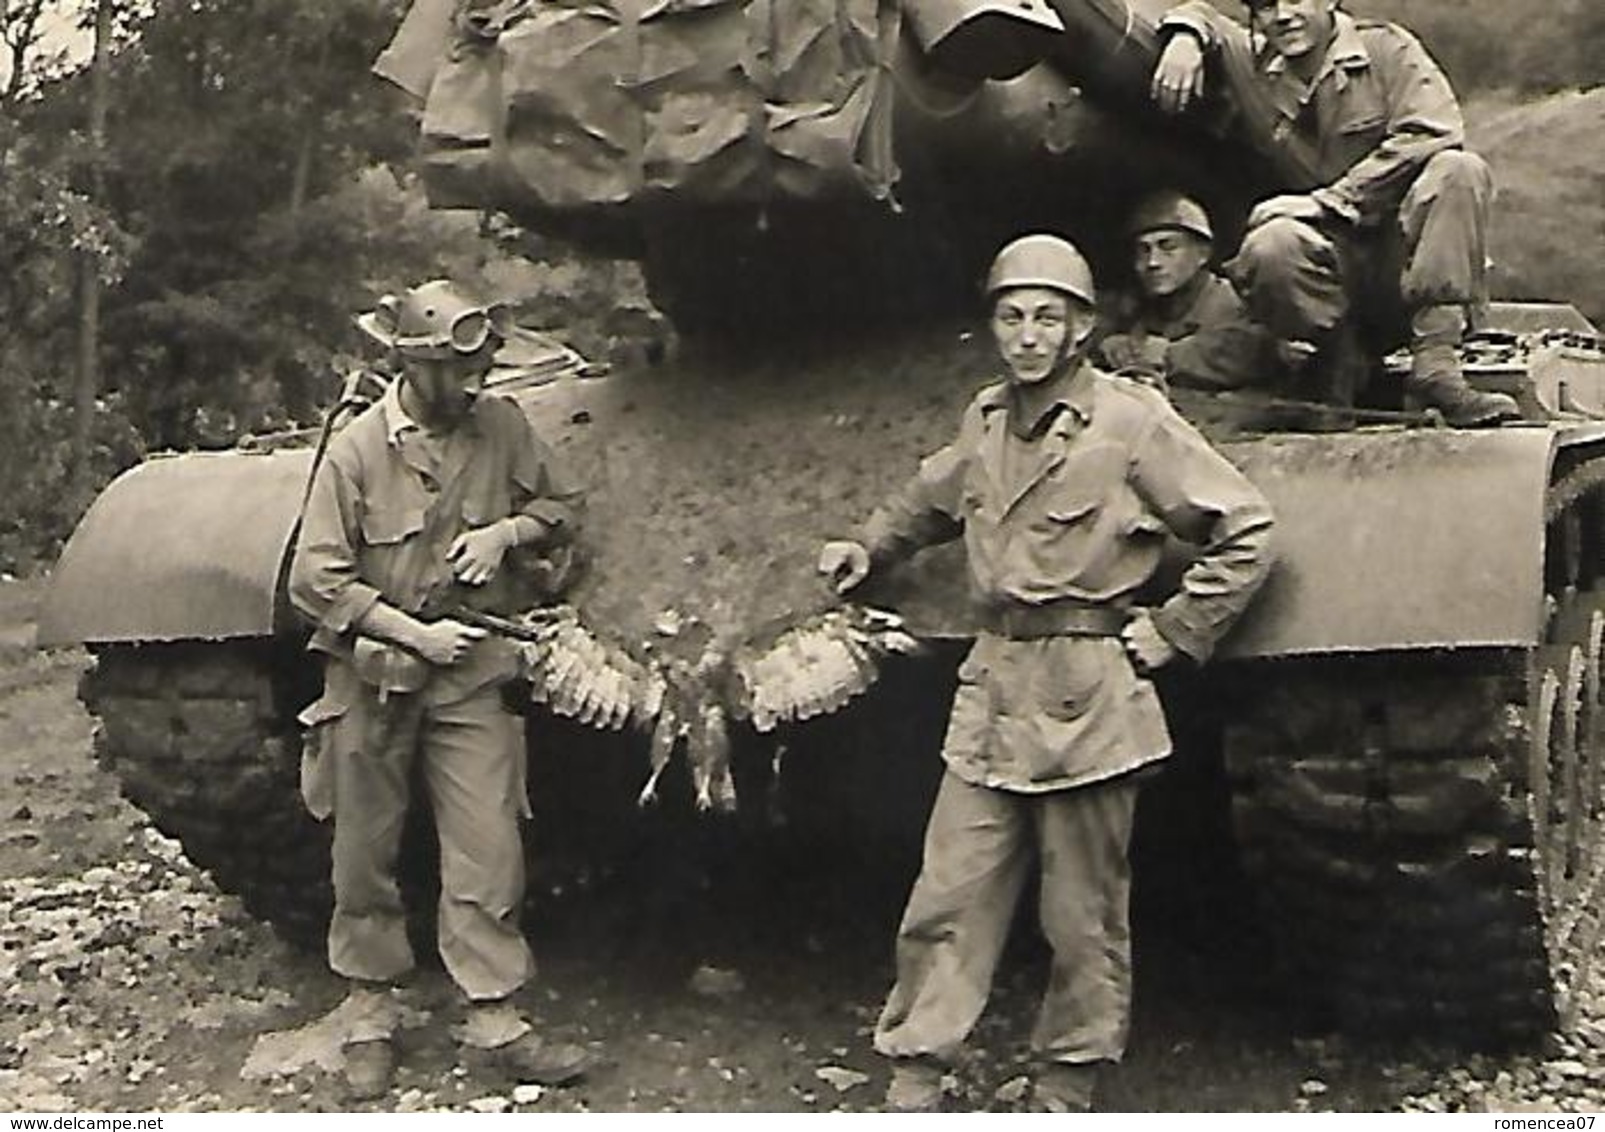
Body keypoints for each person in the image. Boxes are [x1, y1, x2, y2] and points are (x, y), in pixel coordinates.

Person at [817, 235, 1275, 1112]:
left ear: (1077, 328)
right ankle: (916, 1061)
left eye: (1046, 318)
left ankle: (1066, 1077)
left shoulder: (1128, 421)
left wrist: (1176, 631)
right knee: (949, 888)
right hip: (994, 687)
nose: (1027, 335)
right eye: (1011, 316)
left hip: (1090, 693)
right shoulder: (985, 419)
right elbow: (931, 496)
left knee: (1081, 912)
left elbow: (1244, 527)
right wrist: (866, 544)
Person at [289, 279, 591, 1100]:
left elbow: (564, 503)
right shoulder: (356, 450)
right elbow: (313, 581)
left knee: (489, 845)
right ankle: (370, 1010)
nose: (475, 385)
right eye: (459, 373)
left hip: (471, 674)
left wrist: (507, 531)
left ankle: (494, 1015)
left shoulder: (501, 426)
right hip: (375, 673)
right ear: (412, 367)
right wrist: (410, 632)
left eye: (483, 369)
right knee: (365, 852)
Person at [1146, 0, 1518, 426]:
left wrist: (1330, 201)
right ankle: (1334, 364)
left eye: (1296, 0)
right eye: (1265, 6)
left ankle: (1436, 366)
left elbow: (1433, 132)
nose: (1282, 15)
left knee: (1459, 169)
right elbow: (1205, 15)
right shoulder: (1257, 63)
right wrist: (1186, 38)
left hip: (1404, 264)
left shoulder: (1386, 51)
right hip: (1330, 277)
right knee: (1271, 244)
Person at [1095, 190, 1282, 392]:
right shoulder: (1136, 306)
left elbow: (1243, 352)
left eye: (1168, 247)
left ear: (1203, 254)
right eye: (1143, 250)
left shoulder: (1237, 304)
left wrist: (1164, 355)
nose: (1153, 262)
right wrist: (1107, 344)